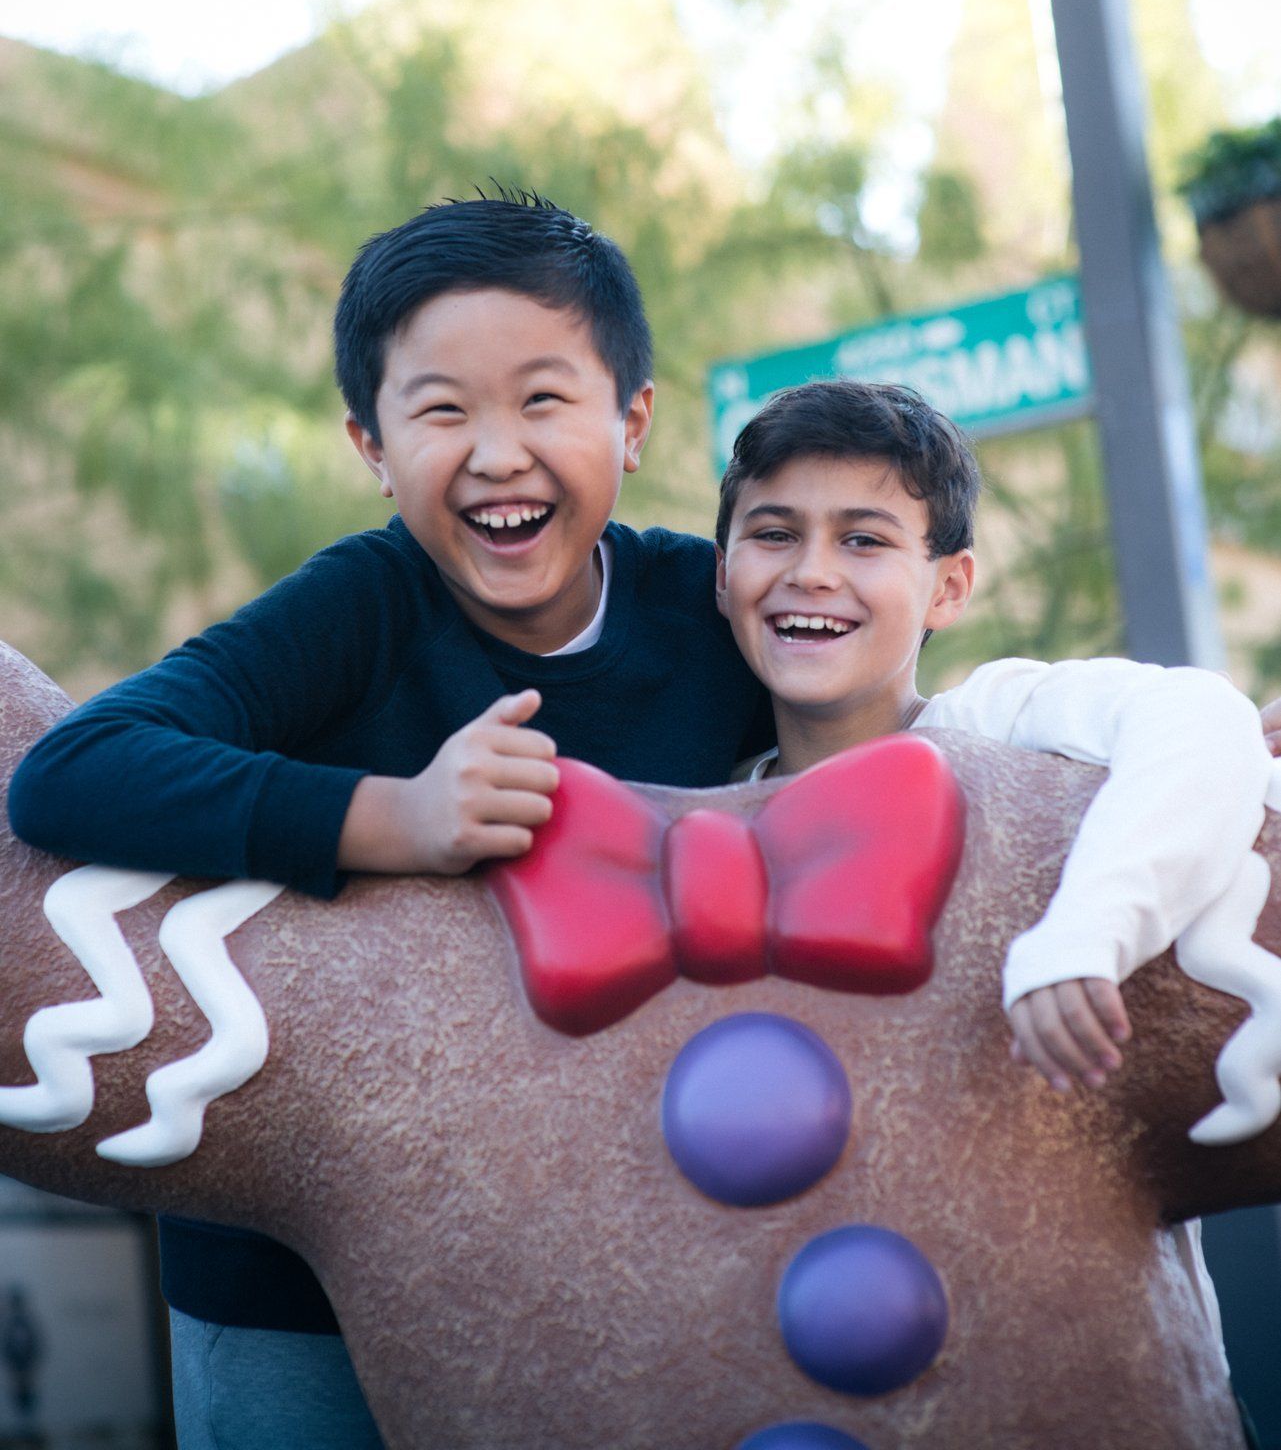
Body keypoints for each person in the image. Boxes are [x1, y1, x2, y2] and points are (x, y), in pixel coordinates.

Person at [6, 193, 775, 1450]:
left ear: (631, 421)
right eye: (441, 410)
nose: (497, 451)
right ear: (371, 445)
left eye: (542, 399)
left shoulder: (710, 606)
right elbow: (71, 772)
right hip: (296, 1294)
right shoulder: (363, 604)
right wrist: (392, 818)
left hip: (615, 1255)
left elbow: (882, 711)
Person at [712, 375, 1275, 1371]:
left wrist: (1084, 935)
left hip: (1078, 1361)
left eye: (864, 539)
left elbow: (1199, 719)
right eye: (772, 533)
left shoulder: (1001, 724)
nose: (811, 571)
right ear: (722, 573)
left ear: (951, 585)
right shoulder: (709, 813)